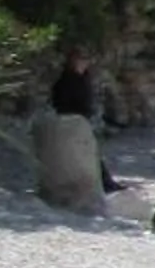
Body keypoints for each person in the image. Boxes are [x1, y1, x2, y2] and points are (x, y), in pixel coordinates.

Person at [50, 45, 123, 194]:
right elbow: (61, 102)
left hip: (81, 120)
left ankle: (105, 182)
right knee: (85, 154)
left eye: (85, 60)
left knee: (91, 153)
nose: (84, 63)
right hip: (71, 122)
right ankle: (102, 183)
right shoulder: (67, 80)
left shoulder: (82, 78)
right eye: (81, 60)